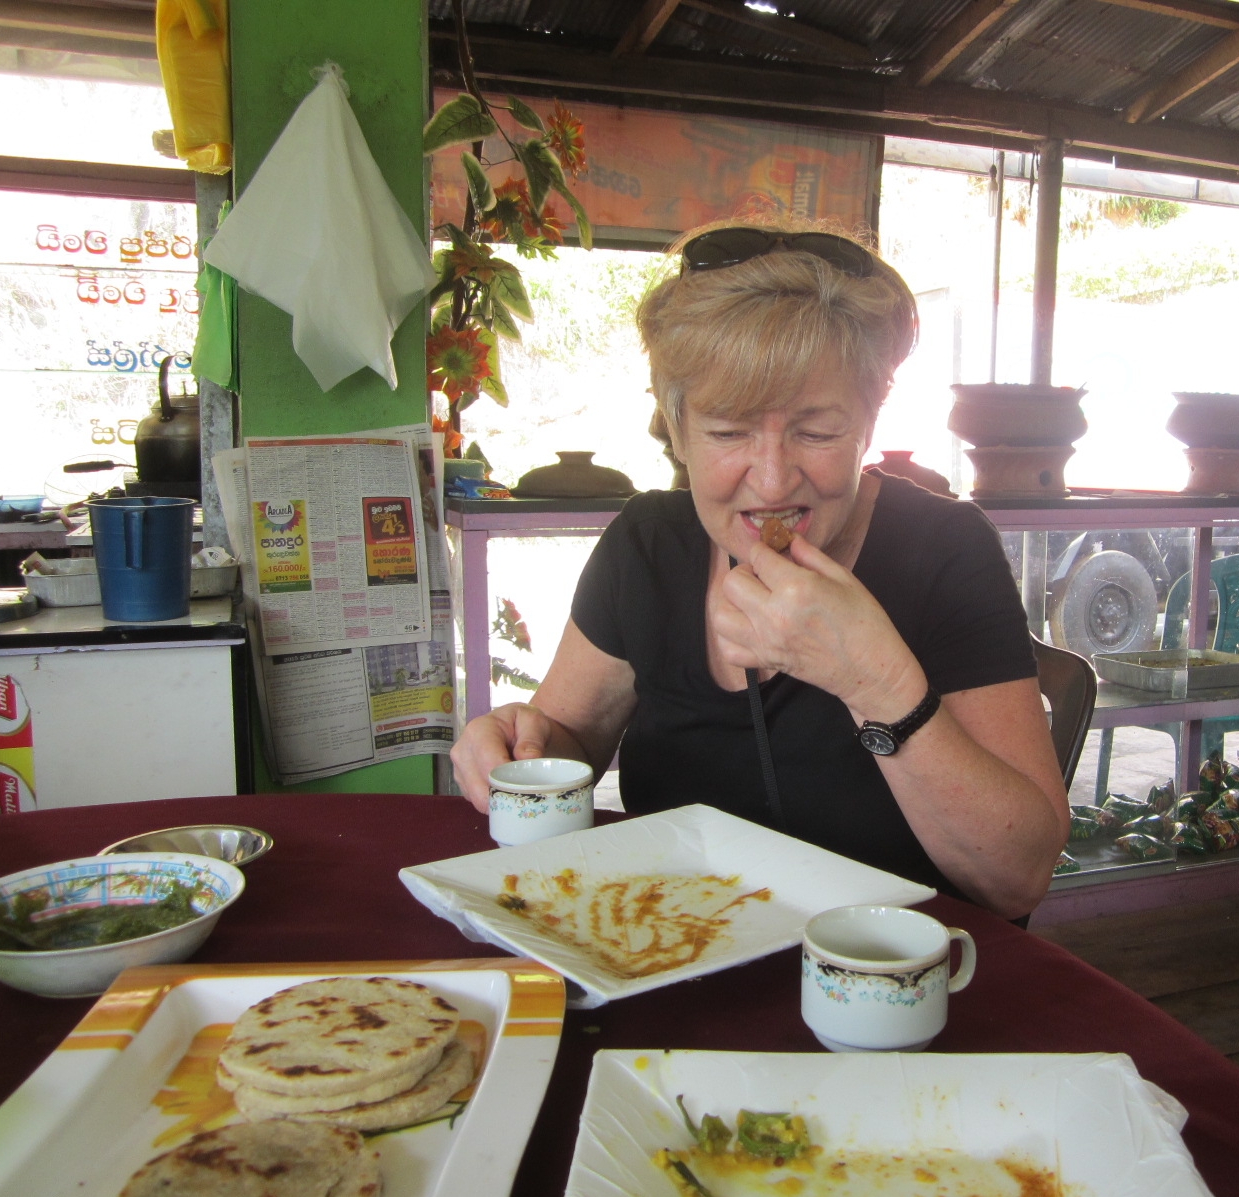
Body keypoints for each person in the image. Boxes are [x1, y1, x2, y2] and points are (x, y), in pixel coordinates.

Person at [451, 220, 1070, 920]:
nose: (773, 479)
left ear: (868, 423)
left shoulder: (943, 549)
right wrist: (516, 744)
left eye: (817, 431)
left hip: (892, 981)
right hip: (675, 955)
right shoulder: (648, 549)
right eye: (728, 431)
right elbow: (565, 742)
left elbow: (1018, 877)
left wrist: (872, 678)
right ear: (677, 431)